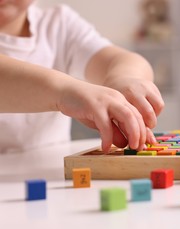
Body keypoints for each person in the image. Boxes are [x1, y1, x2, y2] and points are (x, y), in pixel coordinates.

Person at [0, 0, 165, 154]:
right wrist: (66, 91)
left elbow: (125, 60)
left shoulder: (58, 24)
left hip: (53, 177)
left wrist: (123, 80)